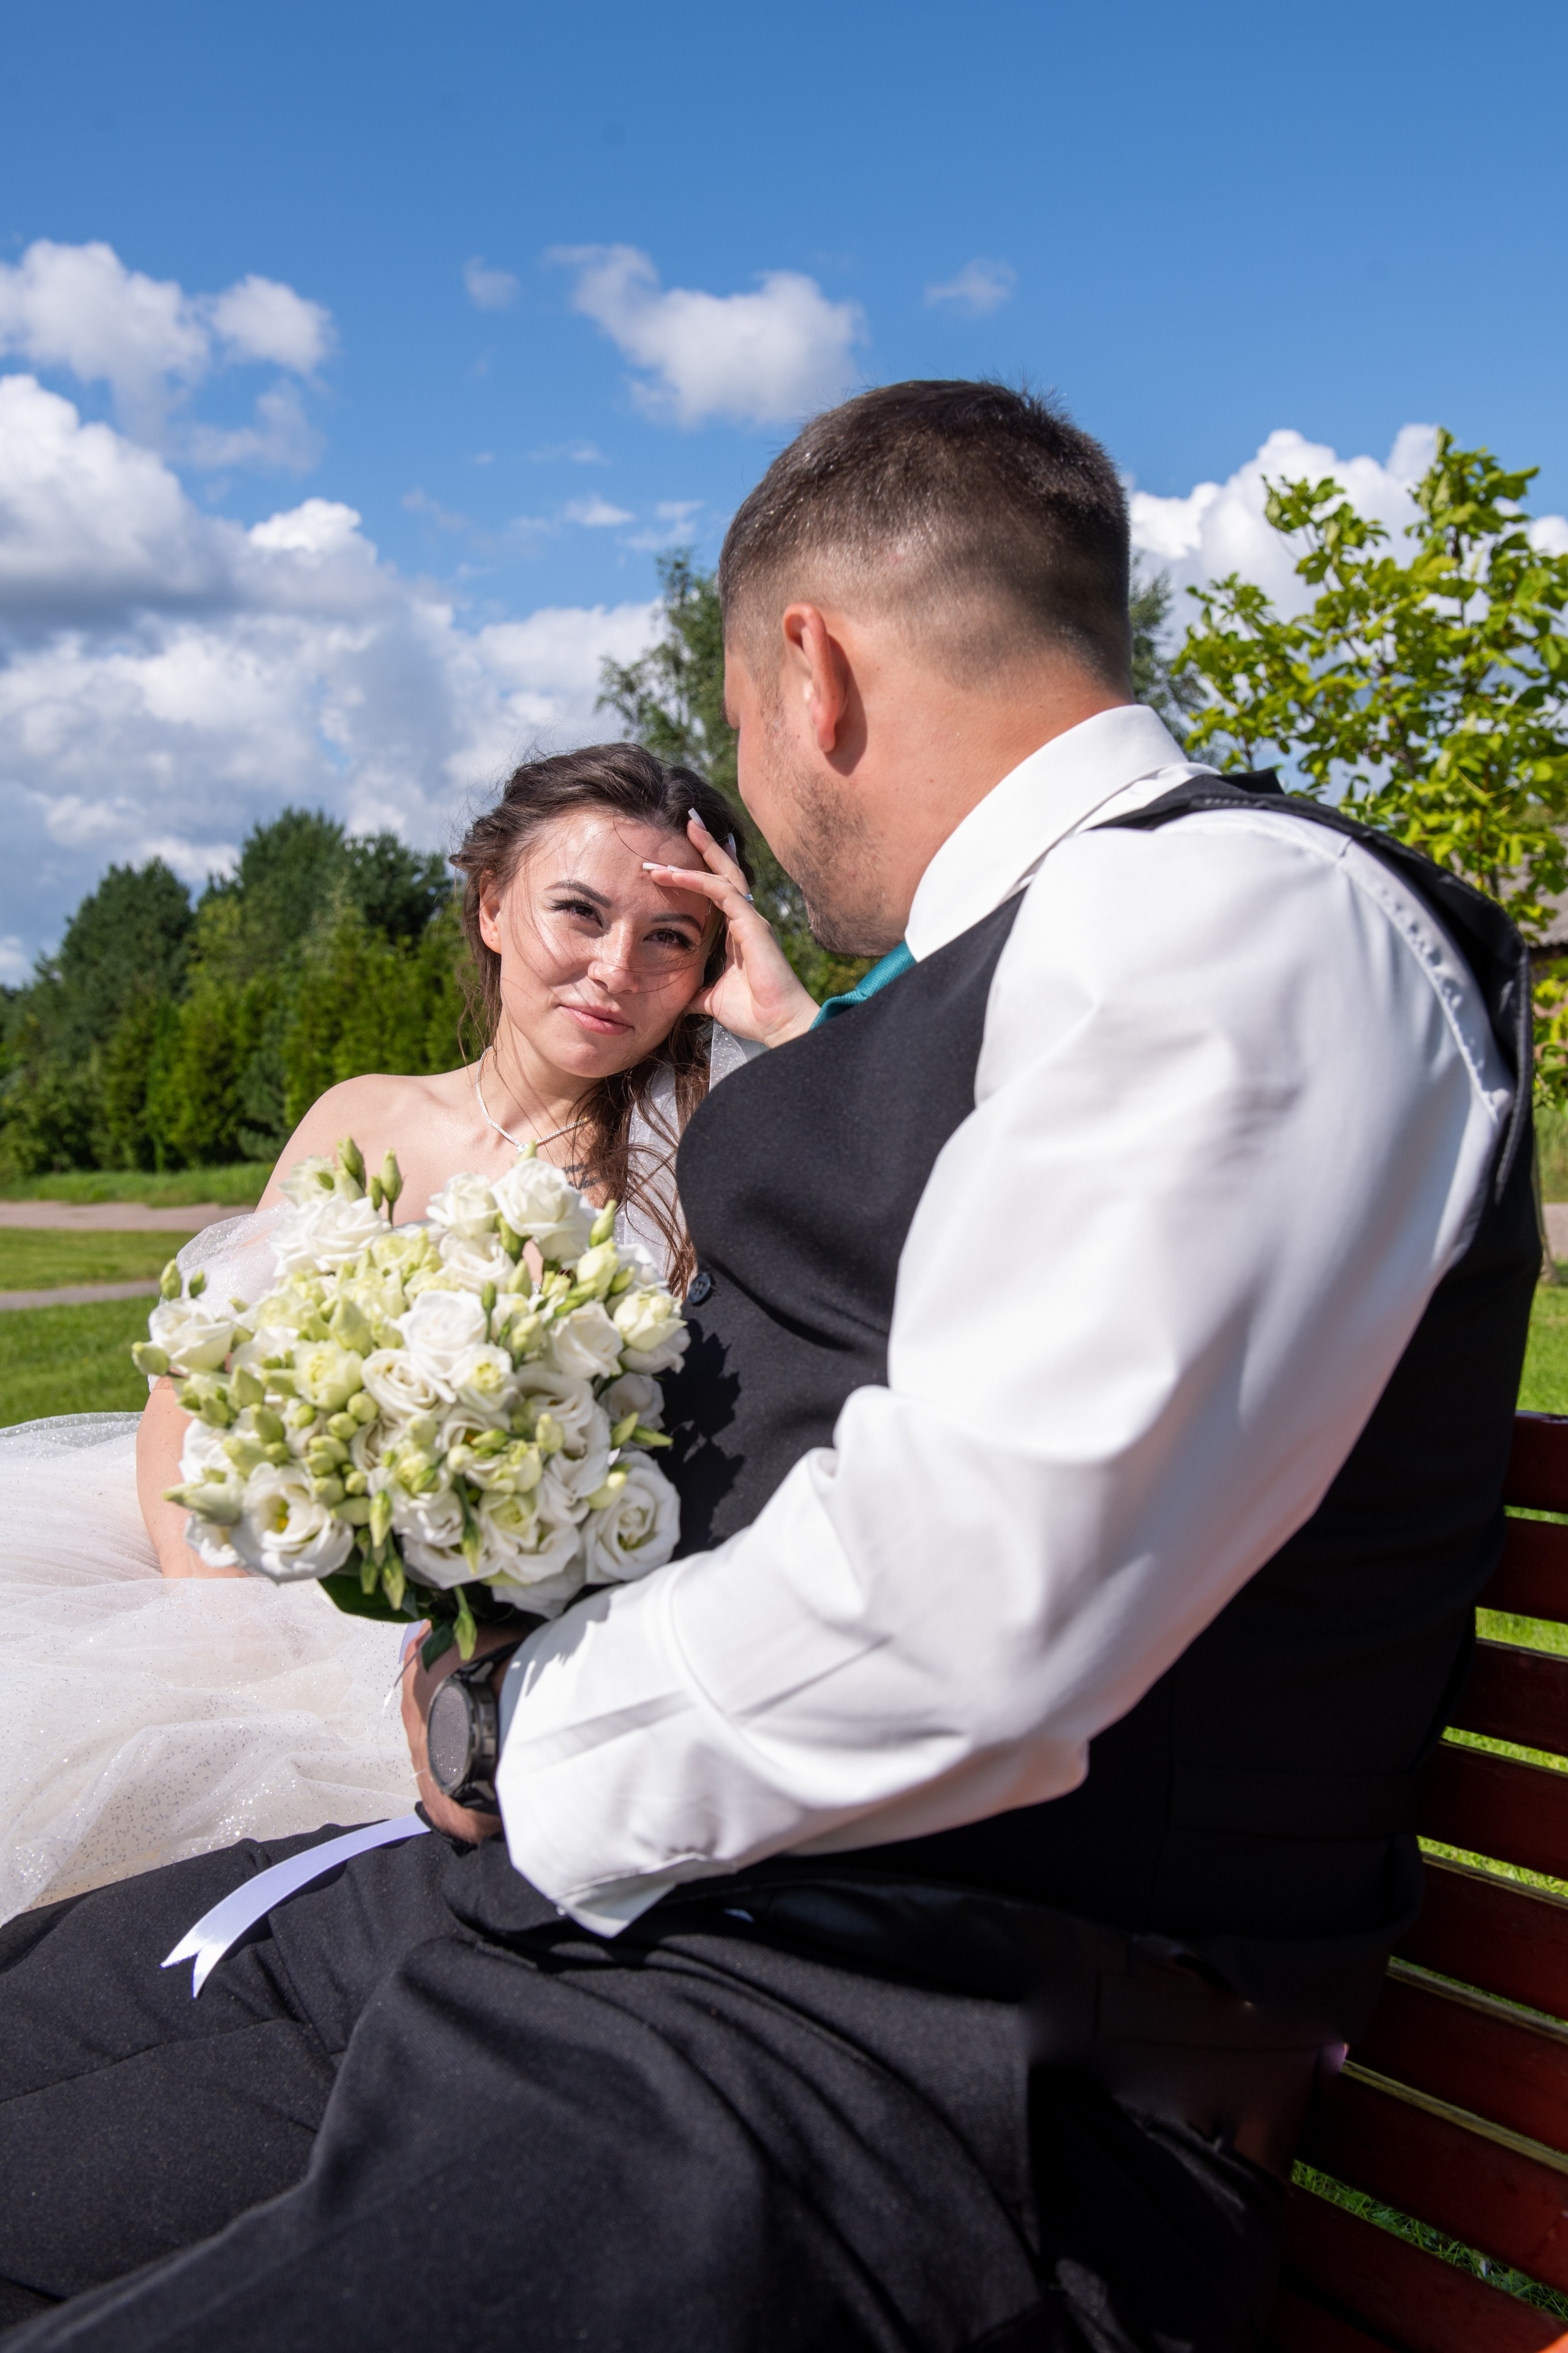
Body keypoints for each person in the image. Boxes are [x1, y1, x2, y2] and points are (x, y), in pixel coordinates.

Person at [0, 383, 1535, 2353]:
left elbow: (976, 1598)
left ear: (805, 674)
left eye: (728, 722)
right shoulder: (1035, 969)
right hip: (590, 1941)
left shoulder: (1243, 920)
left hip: (890, 2075)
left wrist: (509, 1726)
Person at [0, 744, 810, 1926]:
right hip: (246, 1577)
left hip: (499, 1624)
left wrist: (784, 1022)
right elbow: (195, 1383)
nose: (613, 969)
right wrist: (218, 1624)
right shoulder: (367, 1115)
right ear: (490, 904)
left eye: (671, 939)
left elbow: (887, 1203)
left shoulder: (712, 1141)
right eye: (576, 912)